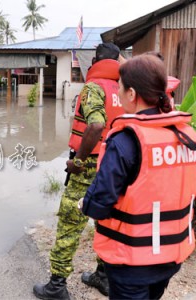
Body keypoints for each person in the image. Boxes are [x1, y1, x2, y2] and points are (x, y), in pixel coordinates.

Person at [79, 54, 196, 299]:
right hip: (171, 257)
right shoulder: (187, 136)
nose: (119, 93)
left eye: (120, 88)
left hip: (131, 260)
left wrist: (84, 204)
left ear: (131, 94)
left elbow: (99, 202)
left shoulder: (126, 140)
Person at [33, 42, 124, 300]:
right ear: (117, 61)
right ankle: (103, 277)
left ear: (96, 61)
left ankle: (56, 286)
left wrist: (79, 162)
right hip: (114, 167)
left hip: (90, 165)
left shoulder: (93, 87)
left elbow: (96, 126)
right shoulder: (123, 90)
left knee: (70, 225)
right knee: (107, 221)